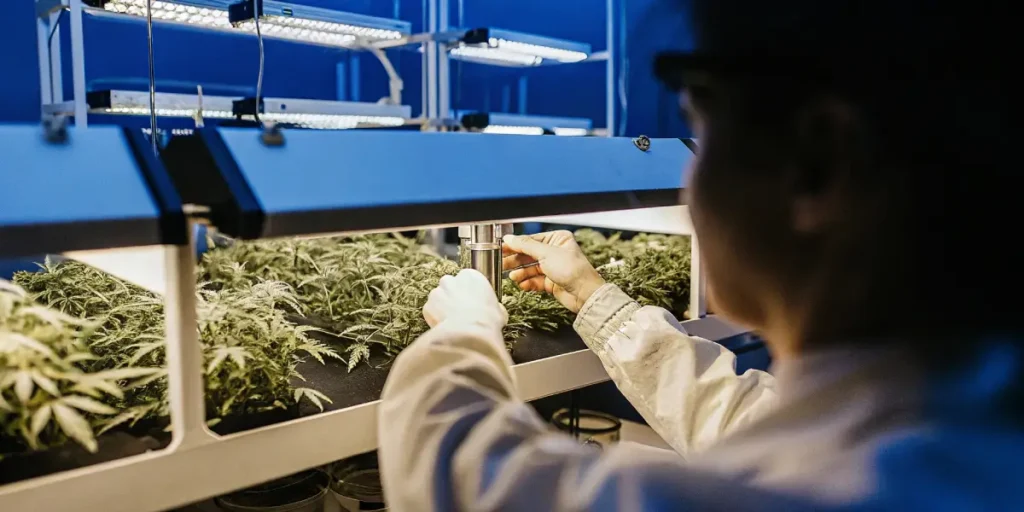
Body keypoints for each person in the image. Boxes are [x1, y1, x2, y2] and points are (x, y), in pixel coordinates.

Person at [377, 0, 1020, 510]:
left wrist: (465, 336)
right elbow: (740, 417)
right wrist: (595, 302)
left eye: (702, 129)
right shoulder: (959, 430)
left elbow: (466, 475)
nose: (689, 181)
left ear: (816, 167)